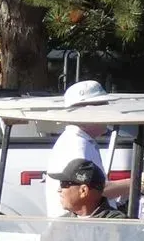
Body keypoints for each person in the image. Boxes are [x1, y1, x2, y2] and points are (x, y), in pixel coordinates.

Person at [44, 80, 109, 219]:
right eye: (102, 106)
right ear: (86, 111)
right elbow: (89, 191)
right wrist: (136, 184)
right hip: (77, 230)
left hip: (81, 227)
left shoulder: (80, 141)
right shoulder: (77, 145)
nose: (108, 111)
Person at [51, 159, 124, 219]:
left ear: (83, 191)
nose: (59, 190)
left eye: (63, 184)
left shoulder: (116, 223)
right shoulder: (62, 223)